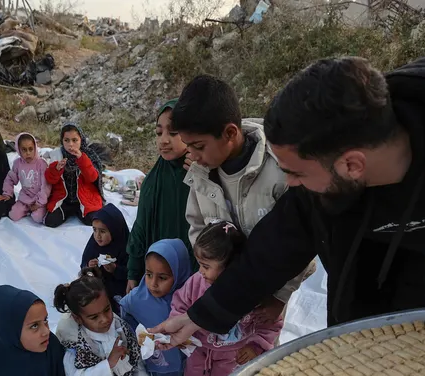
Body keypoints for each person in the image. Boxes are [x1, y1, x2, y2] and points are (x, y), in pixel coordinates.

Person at [153, 49, 425, 346]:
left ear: (352, 164)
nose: (289, 184)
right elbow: (278, 243)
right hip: (411, 310)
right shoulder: (327, 179)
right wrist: (204, 314)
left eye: (295, 173)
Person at [170, 75, 313, 325]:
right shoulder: (200, 174)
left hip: (268, 297)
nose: (192, 155)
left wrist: (280, 296)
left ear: (230, 133)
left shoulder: (281, 172)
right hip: (223, 291)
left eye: (199, 146)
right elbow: (197, 226)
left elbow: (301, 242)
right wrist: (210, 268)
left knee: (256, 355)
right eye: (188, 146)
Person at [169, 221, 282, 376]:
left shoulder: (253, 294)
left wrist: (256, 346)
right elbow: (180, 303)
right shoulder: (196, 282)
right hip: (200, 346)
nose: (201, 272)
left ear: (230, 266)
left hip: (232, 353)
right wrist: (180, 329)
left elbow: (271, 325)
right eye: (199, 264)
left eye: (206, 266)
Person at [126, 100, 195, 294]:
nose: (163, 140)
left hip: (193, 282)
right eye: (158, 132)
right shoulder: (154, 180)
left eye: (173, 132)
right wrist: (133, 272)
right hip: (157, 281)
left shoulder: (202, 174)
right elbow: (141, 227)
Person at [120, 239, 192, 376]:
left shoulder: (188, 300)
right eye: (148, 274)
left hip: (181, 357)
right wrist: (135, 334)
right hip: (153, 358)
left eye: (163, 278)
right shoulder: (138, 298)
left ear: (180, 273)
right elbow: (125, 312)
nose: (153, 284)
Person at [44, 123, 104, 228]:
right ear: (62, 141)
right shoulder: (57, 155)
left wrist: (82, 159)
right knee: (50, 221)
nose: (70, 145)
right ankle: (70, 211)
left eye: (74, 140)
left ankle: (79, 211)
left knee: (93, 220)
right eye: (66, 140)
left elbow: (93, 178)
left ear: (81, 140)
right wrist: (56, 168)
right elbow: (50, 179)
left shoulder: (88, 155)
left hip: (84, 198)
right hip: (63, 199)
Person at [80, 203, 129, 301]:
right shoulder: (94, 243)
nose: (97, 236)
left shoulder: (125, 245)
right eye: (94, 230)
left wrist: (115, 269)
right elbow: (84, 264)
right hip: (97, 285)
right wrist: (89, 267)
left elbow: (132, 272)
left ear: (114, 230)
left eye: (102, 231)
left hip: (119, 287)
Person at [3, 132, 50, 224]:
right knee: (13, 215)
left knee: (37, 218)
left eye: (30, 149)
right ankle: (26, 209)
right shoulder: (17, 163)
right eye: (24, 150)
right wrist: (7, 193)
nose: (28, 153)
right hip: (25, 198)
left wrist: (39, 203)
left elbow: (46, 186)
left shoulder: (41, 164)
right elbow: (10, 179)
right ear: (19, 150)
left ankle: (36, 210)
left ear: (35, 148)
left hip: (39, 200)